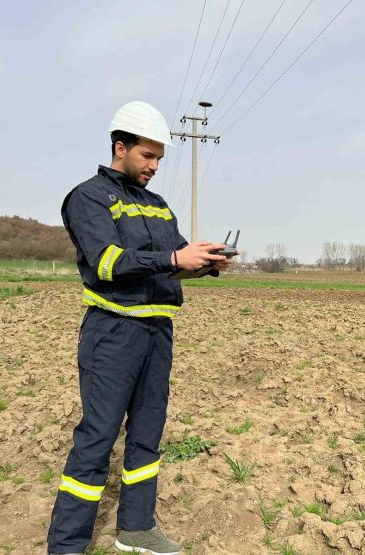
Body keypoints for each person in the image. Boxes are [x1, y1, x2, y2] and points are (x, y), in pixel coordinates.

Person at [47, 101, 233, 555]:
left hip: (157, 333)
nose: (154, 167)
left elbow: (174, 267)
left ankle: (136, 528)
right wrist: (173, 259)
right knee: (98, 437)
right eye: (147, 157)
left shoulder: (158, 206)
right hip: (112, 334)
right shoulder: (88, 197)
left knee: (148, 433)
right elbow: (108, 263)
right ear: (120, 147)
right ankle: (66, 545)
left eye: (159, 159)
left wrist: (205, 263)